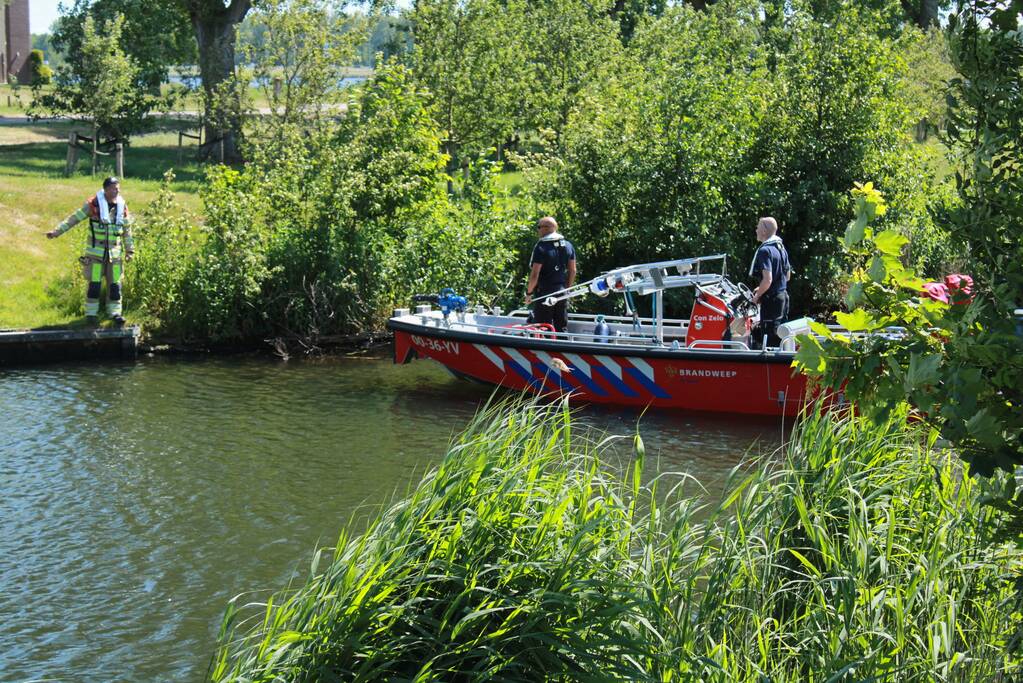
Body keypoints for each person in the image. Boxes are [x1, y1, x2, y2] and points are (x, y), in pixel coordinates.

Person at [46, 176, 134, 326]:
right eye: (114, 189)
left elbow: (127, 231)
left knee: (115, 287)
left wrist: (129, 251)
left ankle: (115, 314)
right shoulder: (93, 205)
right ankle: (91, 316)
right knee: (94, 287)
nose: (117, 191)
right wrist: (56, 232)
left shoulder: (122, 206)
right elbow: (74, 218)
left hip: (115, 258)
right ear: (106, 189)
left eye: (118, 189)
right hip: (95, 257)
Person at [525, 216, 576, 333]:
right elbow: (573, 270)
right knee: (561, 328)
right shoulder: (568, 245)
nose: (538, 230)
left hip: (544, 294)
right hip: (562, 293)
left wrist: (529, 293)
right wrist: (567, 289)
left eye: (539, 227)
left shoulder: (541, 247)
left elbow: (535, 274)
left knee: (542, 329)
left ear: (546, 228)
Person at [749, 216, 792, 348]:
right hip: (783, 298)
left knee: (769, 338)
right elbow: (787, 276)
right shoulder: (781, 248)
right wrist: (761, 287)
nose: (756, 230)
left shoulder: (765, 251)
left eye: (758, 227)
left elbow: (768, 279)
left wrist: (756, 296)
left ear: (764, 231)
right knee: (780, 335)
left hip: (772, 301)